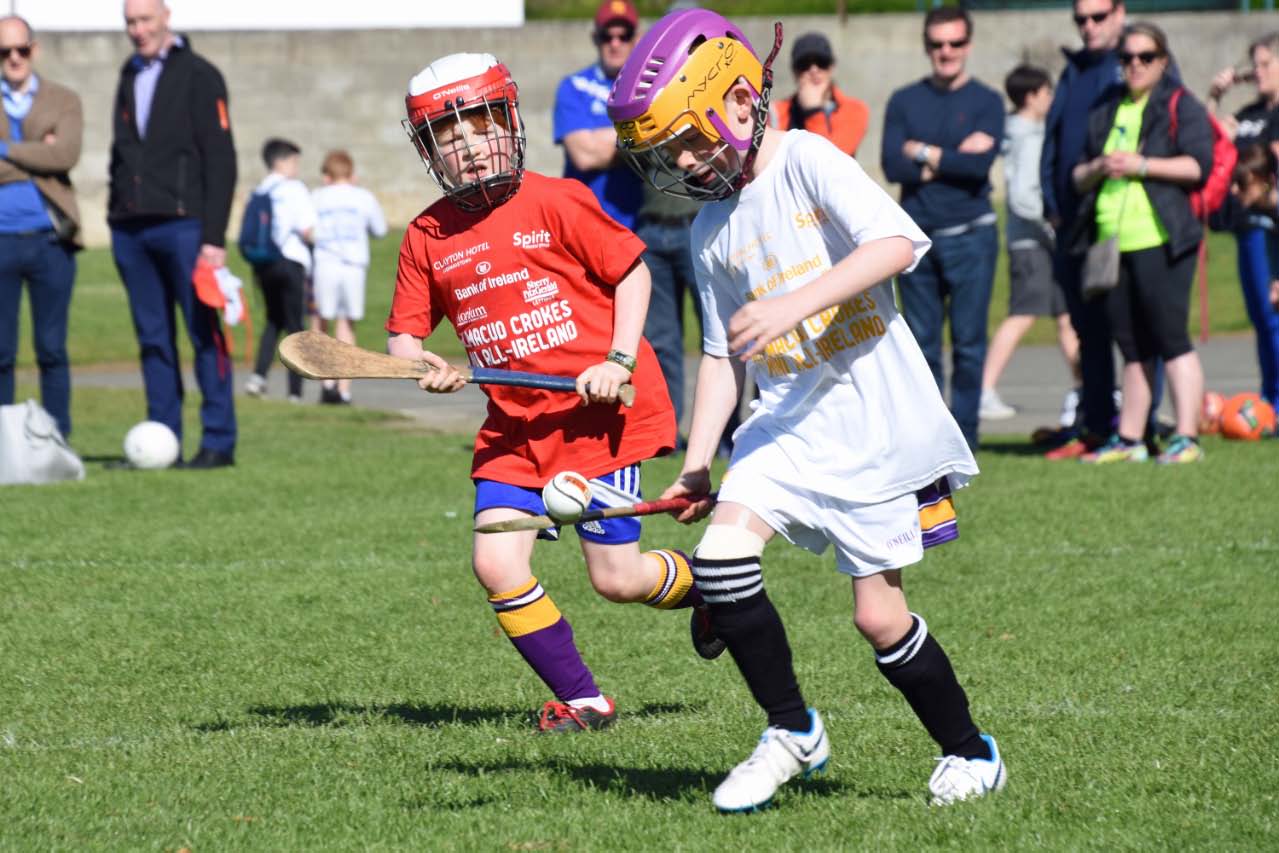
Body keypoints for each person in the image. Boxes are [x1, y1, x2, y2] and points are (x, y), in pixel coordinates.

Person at [609, 9, 1004, 812]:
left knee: (877, 617)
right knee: (720, 561)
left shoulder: (806, 158)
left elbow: (896, 244)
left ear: (735, 104)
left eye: (688, 139)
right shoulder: (708, 228)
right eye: (666, 152)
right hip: (784, 423)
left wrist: (793, 303)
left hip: (874, 424)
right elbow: (722, 355)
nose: (682, 161)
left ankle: (970, 751)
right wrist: (696, 460)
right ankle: (791, 730)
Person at [386, 52, 722, 735]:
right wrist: (422, 366)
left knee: (617, 580)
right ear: (429, 151)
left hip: (595, 421)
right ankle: (584, 700)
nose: (471, 149)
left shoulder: (557, 200)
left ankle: (714, 588)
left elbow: (632, 274)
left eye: (480, 128)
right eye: (450, 137)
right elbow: (404, 339)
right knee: (493, 561)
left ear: (508, 123)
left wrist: (617, 358)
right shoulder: (426, 237)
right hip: (514, 432)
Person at [1071, 22, 1212, 465]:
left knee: (1171, 337)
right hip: (1113, 241)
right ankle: (1130, 438)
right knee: (1130, 344)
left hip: (1162, 238)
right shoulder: (1107, 107)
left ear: (1163, 61)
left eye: (1145, 57)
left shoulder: (1179, 104)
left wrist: (1141, 164)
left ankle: (1187, 436)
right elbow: (1076, 176)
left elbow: (1196, 166)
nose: (1135, 65)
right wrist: (1099, 166)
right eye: (1127, 58)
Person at [109, 0, 237, 468]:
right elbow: (122, 152)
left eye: (144, 20)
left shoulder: (200, 74)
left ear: (165, 17)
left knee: (205, 335)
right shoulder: (129, 74)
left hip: (186, 227)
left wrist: (214, 238)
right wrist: (114, 211)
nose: (137, 30)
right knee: (153, 340)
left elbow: (221, 159)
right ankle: (161, 442)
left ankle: (218, 441)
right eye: (130, 22)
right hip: (131, 229)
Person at [882, 7, 1004, 450]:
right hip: (918, 242)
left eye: (954, 44)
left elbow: (978, 169)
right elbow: (894, 165)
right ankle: (934, 443)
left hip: (973, 236)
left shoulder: (987, 101)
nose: (945, 52)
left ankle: (967, 438)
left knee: (969, 346)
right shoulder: (904, 100)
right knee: (923, 350)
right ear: (926, 46)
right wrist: (951, 155)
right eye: (937, 44)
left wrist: (925, 153)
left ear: (967, 46)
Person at [1039, 0, 1130, 459]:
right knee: (1087, 331)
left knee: (1131, 331)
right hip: (1070, 226)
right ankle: (1097, 427)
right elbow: (1053, 141)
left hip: (1115, 221)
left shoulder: (1130, 66)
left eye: (1098, 16)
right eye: (1081, 18)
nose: (1088, 26)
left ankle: (1137, 429)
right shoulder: (1074, 71)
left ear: (1119, 12)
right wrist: (1051, 204)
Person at [980, 64, 1080, 423]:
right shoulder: (1028, 135)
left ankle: (1085, 389)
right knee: (1022, 314)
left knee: (1068, 316)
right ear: (1032, 95)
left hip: (1042, 242)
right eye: (1047, 93)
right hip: (1031, 243)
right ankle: (984, 391)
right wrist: (1050, 222)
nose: (1051, 99)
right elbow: (1024, 195)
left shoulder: (1027, 131)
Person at [0, 15, 82, 439]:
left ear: (35, 49)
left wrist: (5, 151)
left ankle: (57, 439)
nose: (13, 58)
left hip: (51, 241)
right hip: (1, 242)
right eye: (4, 52)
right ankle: (4, 445)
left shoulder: (63, 100)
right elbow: (48, 157)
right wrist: (36, 154)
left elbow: (65, 155)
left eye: (21, 49)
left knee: (51, 350)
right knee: (1, 351)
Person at [1208, 33, 1279, 408]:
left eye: (1266, 63)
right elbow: (1204, 144)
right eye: (1254, 64)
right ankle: (1270, 401)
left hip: (1271, 230)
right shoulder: (1249, 116)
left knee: (1274, 317)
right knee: (1263, 318)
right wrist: (1216, 98)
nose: (1257, 72)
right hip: (1246, 227)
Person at [551, 0, 643, 230]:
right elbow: (585, 155)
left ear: (637, 38)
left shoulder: (647, 88)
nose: (615, 44)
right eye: (607, 36)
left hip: (642, 225)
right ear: (595, 38)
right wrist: (641, 135)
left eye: (624, 36)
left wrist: (604, 139)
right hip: (587, 226)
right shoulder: (574, 87)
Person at [308, 149, 387, 405]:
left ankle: (326, 383)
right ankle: (344, 389)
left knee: (321, 324)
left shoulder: (317, 196)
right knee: (346, 325)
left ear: (327, 175)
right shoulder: (362, 197)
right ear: (351, 173)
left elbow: (307, 230)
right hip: (353, 266)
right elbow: (380, 229)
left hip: (325, 264)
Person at [242, 138, 316, 403]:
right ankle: (295, 392)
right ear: (281, 162)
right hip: (290, 261)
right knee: (295, 326)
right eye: (294, 161)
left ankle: (258, 378)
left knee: (273, 321)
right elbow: (307, 230)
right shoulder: (294, 188)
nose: (297, 167)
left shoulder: (260, 190)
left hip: (265, 265)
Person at [771, 32, 869, 158]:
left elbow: (831, 160)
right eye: (804, 65)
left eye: (821, 62)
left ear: (832, 67)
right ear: (794, 72)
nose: (814, 70)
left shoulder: (855, 109)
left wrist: (813, 111)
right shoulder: (777, 112)